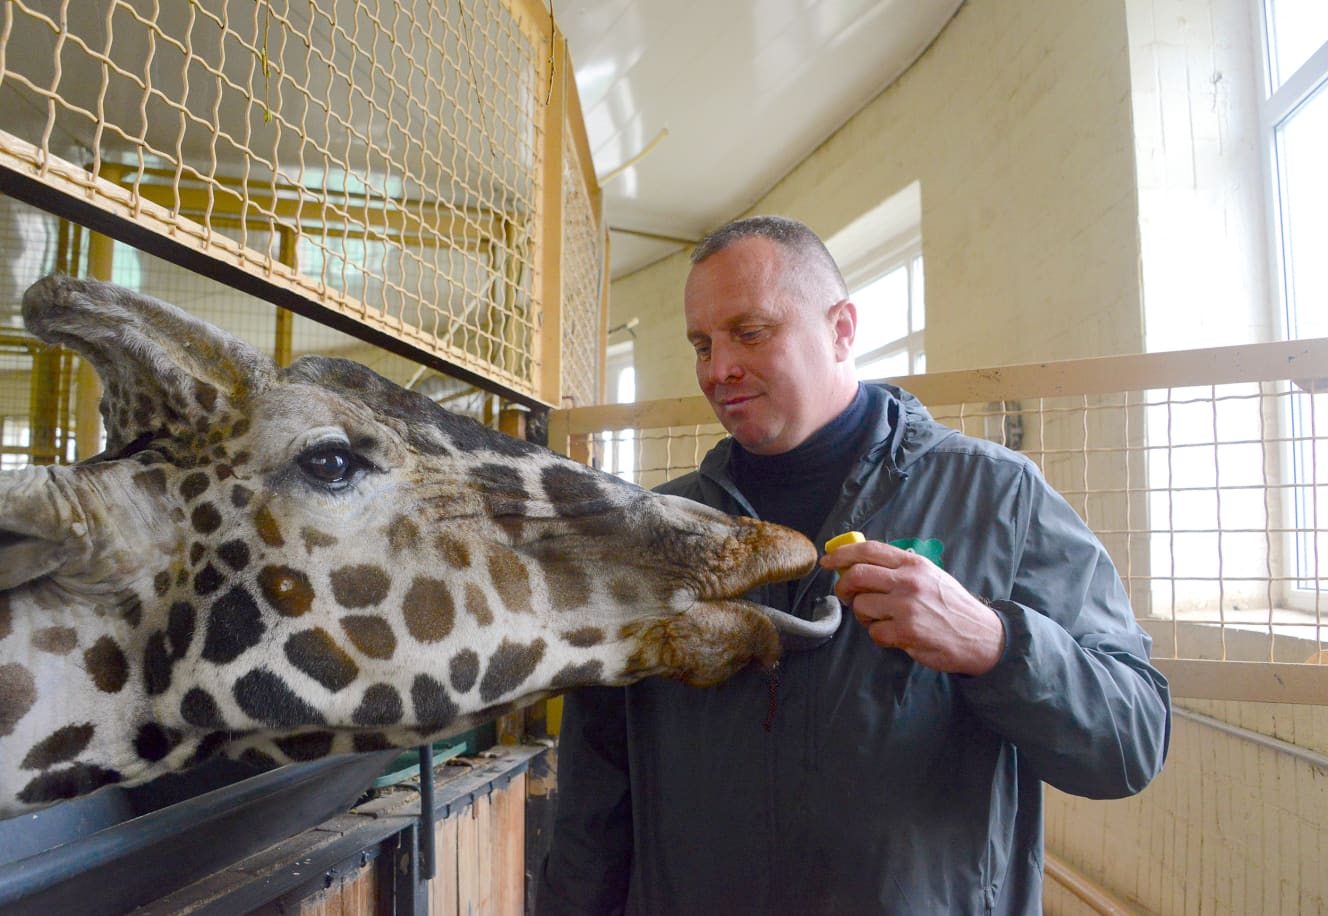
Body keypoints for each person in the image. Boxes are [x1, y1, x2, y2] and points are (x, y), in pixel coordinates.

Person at [536, 215, 1171, 915]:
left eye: (749, 332)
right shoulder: (657, 533)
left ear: (841, 330)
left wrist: (995, 644)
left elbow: (1132, 740)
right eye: (702, 344)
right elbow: (596, 794)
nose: (718, 370)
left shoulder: (996, 497)